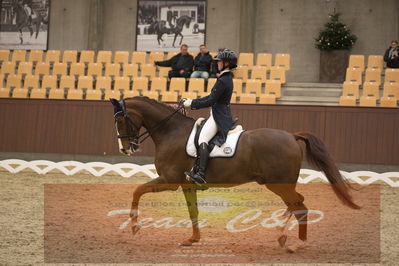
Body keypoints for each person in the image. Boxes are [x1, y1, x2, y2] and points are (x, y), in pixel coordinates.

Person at [182, 49, 238, 185]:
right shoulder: (225, 78)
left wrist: (191, 103)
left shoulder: (224, 80)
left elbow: (211, 100)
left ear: (226, 63)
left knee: (203, 139)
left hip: (219, 116)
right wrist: (192, 101)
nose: (217, 63)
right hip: (218, 113)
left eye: (220, 61)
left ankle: (200, 174)